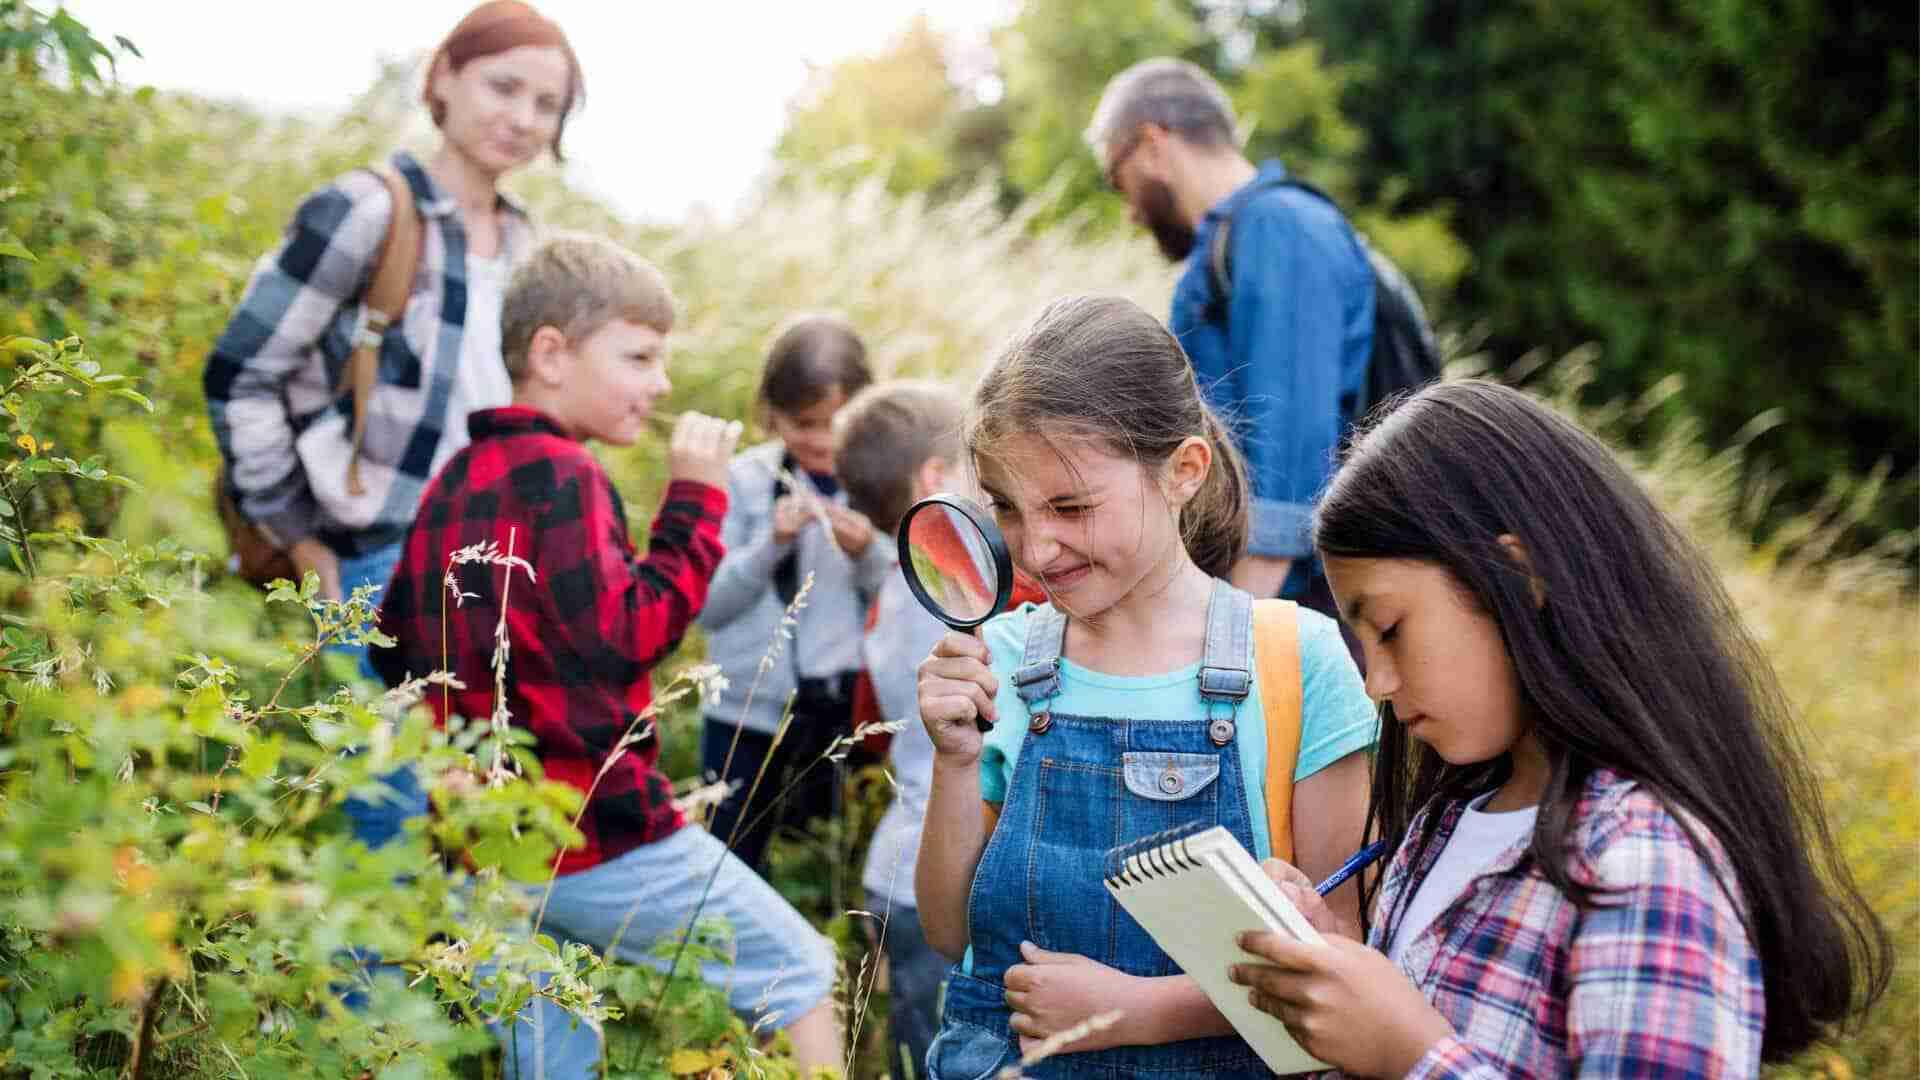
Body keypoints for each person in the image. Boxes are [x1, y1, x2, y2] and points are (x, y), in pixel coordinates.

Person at [1228, 381, 1892, 1077]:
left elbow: (1417, 1041)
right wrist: (1333, 967)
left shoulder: (1641, 862)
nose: (1378, 682)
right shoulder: (1442, 826)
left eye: (1391, 629)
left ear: (1518, 576)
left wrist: (1413, 1056)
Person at [369, 235, 843, 1077]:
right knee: (802, 974)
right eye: (639, 356)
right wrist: (697, 496)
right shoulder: (567, 476)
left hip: (488, 847)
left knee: (552, 1051)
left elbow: (396, 648)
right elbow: (634, 634)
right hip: (595, 833)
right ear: (551, 354)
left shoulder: (456, 478)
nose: (659, 384)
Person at [912, 295, 1378, 1078]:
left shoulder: (1296, 661)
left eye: (1070, 506)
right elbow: (953, 935)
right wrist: (955, 762)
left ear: (1182, 473)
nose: (1036, 546)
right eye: (1005, 509)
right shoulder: (1000, 658)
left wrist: (1142, 1011)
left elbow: (1344, 947)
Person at [204, 0, 583, 846]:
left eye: (545, 105)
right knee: (394, 822)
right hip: (378, 558)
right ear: (444, 76)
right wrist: (301, 539)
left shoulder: (528, 245)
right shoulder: (369, 210)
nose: (521, 119)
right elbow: (242, 374)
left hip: (493, 572)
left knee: (484, 827)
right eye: (504, 86)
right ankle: (362, 985)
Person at [1085, 58, 1374, 623]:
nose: (1128, 212)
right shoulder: (1231, 242)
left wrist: (1228, 640)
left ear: (1152, 143)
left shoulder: (1279, 226)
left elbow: (1288, 465)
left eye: (1117, 177)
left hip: (1296, 608)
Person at [832, 380, 1046, 1080]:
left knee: (909, 1044)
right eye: (982, 478)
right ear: (934, 481)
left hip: (894, 860)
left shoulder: (895, 590)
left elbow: (867, 722)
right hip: (943, 872)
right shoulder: (965, 591)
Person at [698, 314, 891, 873]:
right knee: (729, 864)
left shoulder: (882, 484)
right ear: (771, 415)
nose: (824, 442)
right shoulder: (742, 481)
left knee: (833, 867)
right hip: (745, 715)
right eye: (805, 424)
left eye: (839, 423)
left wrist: (869, 554)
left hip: (846, 713)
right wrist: (770, 544)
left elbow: (908, 602)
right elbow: (709, 606)